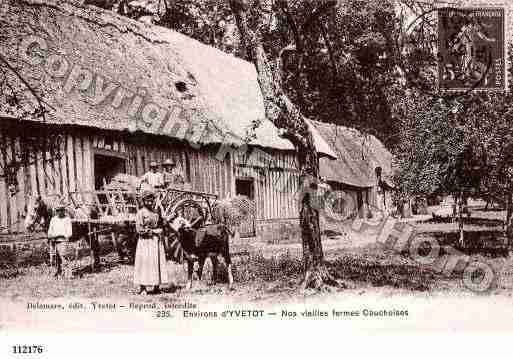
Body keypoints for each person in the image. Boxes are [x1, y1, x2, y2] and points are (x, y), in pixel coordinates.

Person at [133, 190, 169, 295]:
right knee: (145, 263)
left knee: (156, 263)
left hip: (156, 242)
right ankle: (143, 287)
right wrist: (152, 231)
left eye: (151, 201)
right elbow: (139, 229)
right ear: (143, 201)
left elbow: (161, 224)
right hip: (145, 242)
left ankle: (156, 286)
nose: (150, 203)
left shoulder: (155, 212)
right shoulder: (141, 213)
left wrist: (163, 227)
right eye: (147, 201)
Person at [47, 201, 73, 278]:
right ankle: (57, 273)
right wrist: (52, 236)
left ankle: (68, 274)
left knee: (64, 256)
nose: (59, 212)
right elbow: (49, 232)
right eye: (57, 210)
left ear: (64, 211)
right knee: (54, 258)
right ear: (56, 211)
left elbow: (69, 233)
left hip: (62, 241)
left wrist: (60, 234)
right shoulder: (53, 219)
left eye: (61, 210)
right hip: (53, 241)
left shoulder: (67, 219)